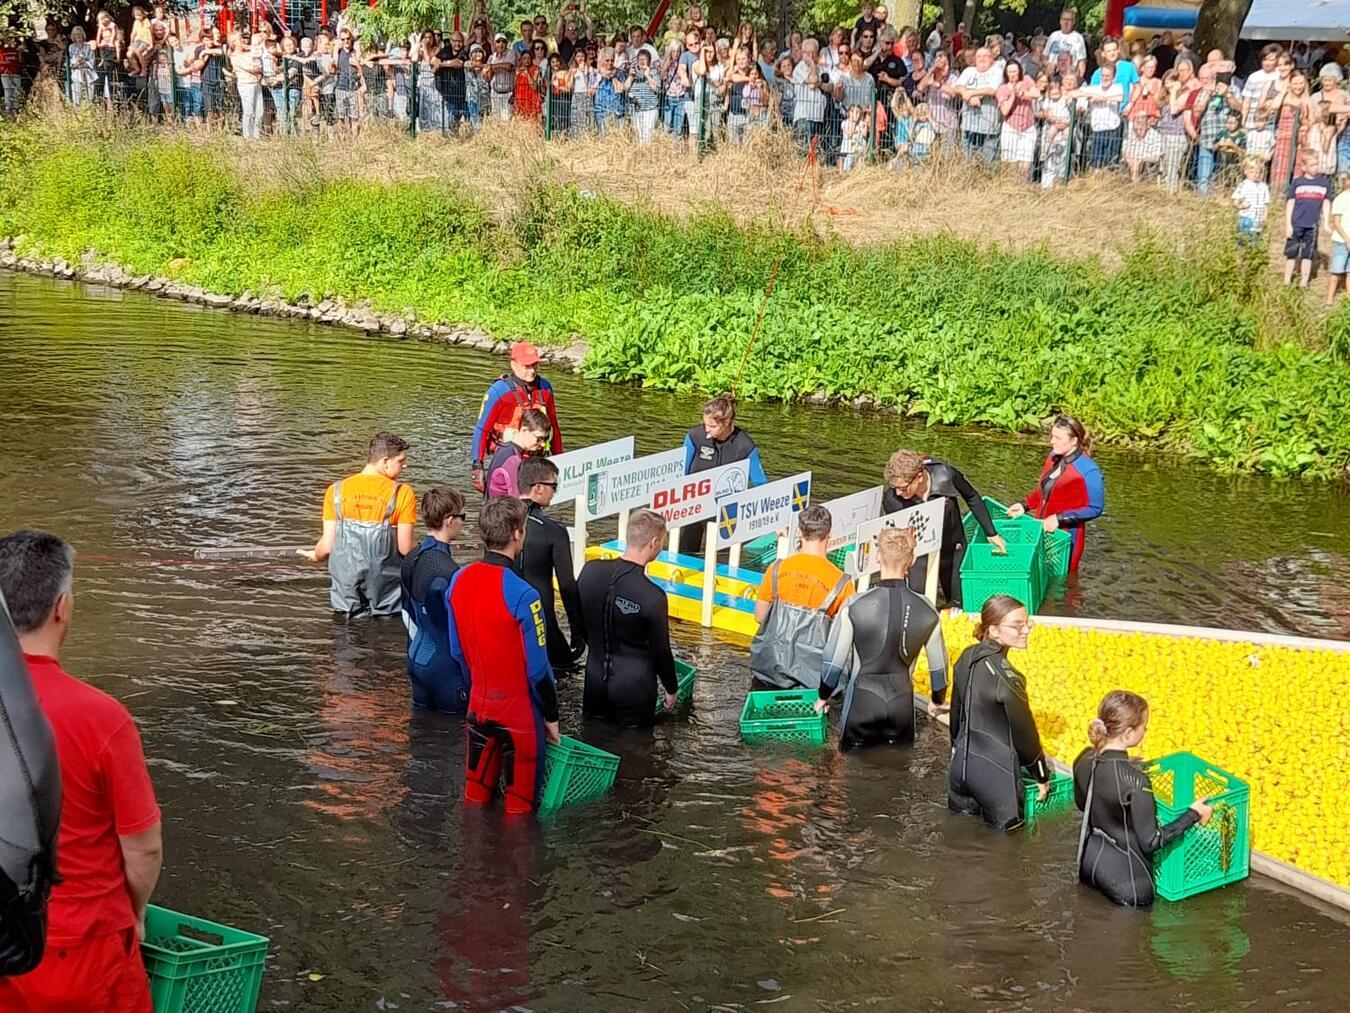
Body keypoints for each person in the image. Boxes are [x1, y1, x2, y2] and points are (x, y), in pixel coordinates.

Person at [0, 532, 161, 1009]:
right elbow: (144, 848)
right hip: (80, 948)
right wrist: (135, 913)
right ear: (61, 607)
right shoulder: (100, 717)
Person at [447, 498, 559, 815]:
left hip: (478, 707)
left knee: (474, 800)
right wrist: (551, 717)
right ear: (517, 534)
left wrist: (477, 691)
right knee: (520, 812)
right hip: (518, 718)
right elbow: (538, 671)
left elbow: (457, 651)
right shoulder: (525, 595)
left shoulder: (458, 580)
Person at [1073, 690, 1214, 908]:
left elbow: (1084, 805)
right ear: (1128, 734)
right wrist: (1193, 814)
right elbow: (1151, 841)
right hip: (1129, 884)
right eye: (1144, 727)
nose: (1145, 731)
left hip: (1090, 866)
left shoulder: (1083, 758)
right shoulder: (1136, 781)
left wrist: (1126, 765)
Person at [816, 527, 949, 752]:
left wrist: (823, 696)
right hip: (902, 706)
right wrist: (937, 700)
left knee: (852, 768)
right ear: (912, 561)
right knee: (898, 767)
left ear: (877, 557)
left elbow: (833, 664)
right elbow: (940, 670)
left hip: (861, 704)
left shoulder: (854, 605)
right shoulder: (928, 610)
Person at [948, 594, 1051, 831]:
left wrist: (955, 748)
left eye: (1027, 623)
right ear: (993, 631)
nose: (1026, 630)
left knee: (959, 836)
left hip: (960, 767)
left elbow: (956, 713)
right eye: (1017, 625)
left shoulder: (966, 657)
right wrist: (1041, 774)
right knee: (1008, 846)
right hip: (996, 775)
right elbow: (1025, 733)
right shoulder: (1008, 678)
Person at [577, 508, 678, 726]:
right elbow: (661, 651)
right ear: (654, 542)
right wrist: (671, 688)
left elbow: (577, 617)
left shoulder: (590, 571)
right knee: (635, 744)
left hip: (594, 678)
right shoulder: (653, 596)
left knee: (592, 735)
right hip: (634, 688)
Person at [301, 432, 417, 617]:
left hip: (346, 595)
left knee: (345, 628)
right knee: (388, 630)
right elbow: (405, 548)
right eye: (401, 460)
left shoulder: (335, 491)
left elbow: (327, 546)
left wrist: (315, 555)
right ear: (385, 461)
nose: (405, 465)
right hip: (387, 595)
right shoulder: (402, 493)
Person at [750, 505, 855, 690]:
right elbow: (843, 640)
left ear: (799, 532)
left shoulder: (776, 569)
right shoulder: (842, 583)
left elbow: (760, 616)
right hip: (812, 684)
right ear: (830, 534)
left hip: (769, 671)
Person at [882, 450, 1003, 609]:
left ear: (920, 476)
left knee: (957, 601)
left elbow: (972, 497)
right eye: (895, 487)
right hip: (919, 555)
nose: (899, 492)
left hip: (952, 546)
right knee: (918, 603)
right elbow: (895, 536)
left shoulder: (946, 475)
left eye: (903, 488)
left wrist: (991, 533)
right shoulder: (892, 499)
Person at [399, 487, 469, 713]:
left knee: (419, 727)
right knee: (452, 730)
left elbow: (407, 614)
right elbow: (461, 631)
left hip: (417, 656)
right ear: (450, 520)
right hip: (444, 667)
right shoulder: (448, 571)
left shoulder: (411, 557)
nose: (463, 522)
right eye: (463, 517)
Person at [1005, 415, 1104, 574]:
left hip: (1065, 537)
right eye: (1052, 436)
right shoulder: (1053, 457)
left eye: (1058, 438)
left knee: (1061, 581)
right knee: (1037, 573)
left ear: (1074, 440)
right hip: (1041, 529)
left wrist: (1059, 518)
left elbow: (1095, 508)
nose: (1052, 441)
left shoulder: (1089, 470)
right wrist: (1025, 505)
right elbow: (1044, 491)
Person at [515, 457, 586, 670]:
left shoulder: (498, 520)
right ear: (538, 488)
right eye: (553, 485)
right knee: (564, 670)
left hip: (507, 614)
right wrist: (577, 629)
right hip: (542, 620)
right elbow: (567, 586)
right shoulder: (554, 530)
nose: (554, 491)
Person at [470, 342, 563, 494]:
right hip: (507, 459)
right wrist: (477, 466)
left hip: (536, 460)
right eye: (527, 366)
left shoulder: (545, 388)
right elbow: (482, 429)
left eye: (535, 365)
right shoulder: (499, 391)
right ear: (513, 364)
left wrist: (560, 459)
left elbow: (553, 426)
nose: (532, 370)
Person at [1284, 154, 1331, 289]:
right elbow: (1290, 203)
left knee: (1308, 255)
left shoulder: (1324, 183)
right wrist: (1288, 224)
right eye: (1312, 165)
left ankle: (1304, 282)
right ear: (1304, 167)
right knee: (1291, 253)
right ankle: (1286, 281)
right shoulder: (1297, 182)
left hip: (1312, 226)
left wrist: (1326, 222)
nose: (1316, 167)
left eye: (1317, 164)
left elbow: (1326, 203)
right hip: (1296, 224)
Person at [484, 408, 551, 500]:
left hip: (493, 506)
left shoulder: (504, 449)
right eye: (539, 439)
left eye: (544, 440)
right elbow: (517, 499)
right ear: (524, 430)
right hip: (502, 508)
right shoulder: (513, 460)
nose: (542, 444)